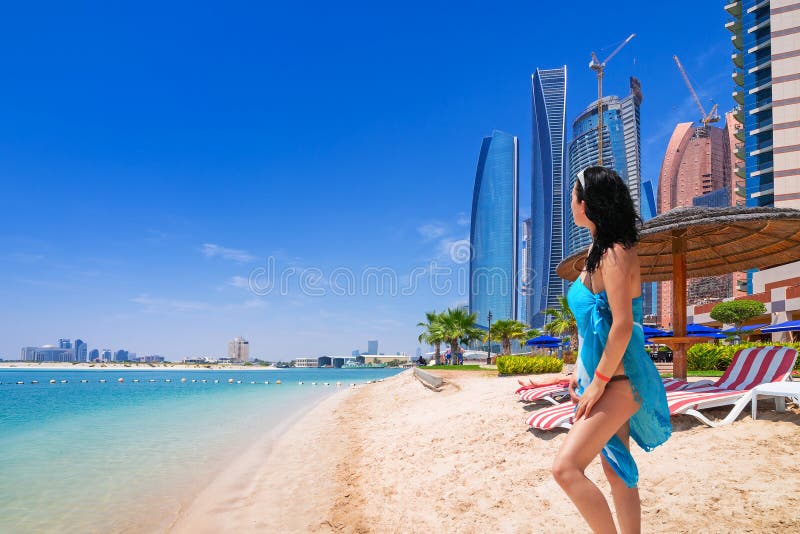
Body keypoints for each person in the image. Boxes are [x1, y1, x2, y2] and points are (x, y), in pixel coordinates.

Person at [551, 166, 672, 533]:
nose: (570, 202)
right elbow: (593, 331)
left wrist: (598, 382)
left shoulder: (616, 252)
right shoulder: (596, 249)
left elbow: (621, 325)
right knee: (617, 471)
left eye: (573, 195)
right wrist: (579, 373)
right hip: (603, 380)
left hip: (618, 382)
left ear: (585, 204)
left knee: (565, 469)